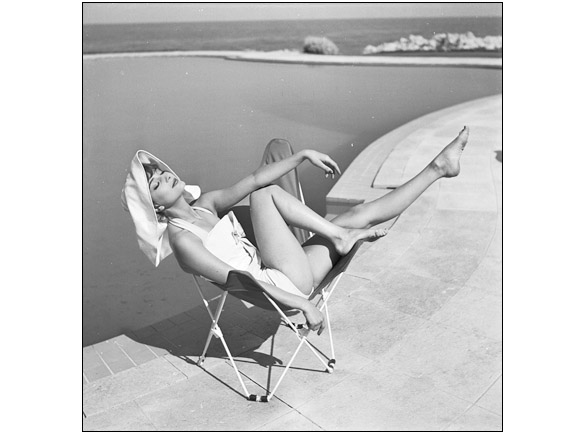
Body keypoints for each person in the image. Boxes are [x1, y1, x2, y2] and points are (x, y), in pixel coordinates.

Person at [122, 127, 469, 334]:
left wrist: (303, 155)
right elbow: (238, 280)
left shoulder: (206, 204)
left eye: (160, 170)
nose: (165, 175)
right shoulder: (183, 241)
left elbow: (258, 176)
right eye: (155, 183)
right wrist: (304, 306)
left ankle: (438, 168)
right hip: (279, 289)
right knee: (265, 197)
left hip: (286, 269)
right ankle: (338, 236)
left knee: (360, 213)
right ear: (155, 208)